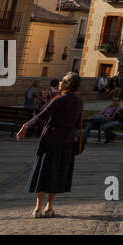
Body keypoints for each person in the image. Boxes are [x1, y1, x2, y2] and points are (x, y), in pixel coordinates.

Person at [16, 71, 85, 218]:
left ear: (68, 84)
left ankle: (37, 208)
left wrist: (25, 126)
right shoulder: (79, 101)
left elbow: (42, 115)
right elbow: (79, 123)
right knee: (57, 174)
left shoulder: (58, 100)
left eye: (63, 80)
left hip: (51, 141)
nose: (60, 82)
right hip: (66, 143)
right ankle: (50, 207)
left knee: (44, 173)